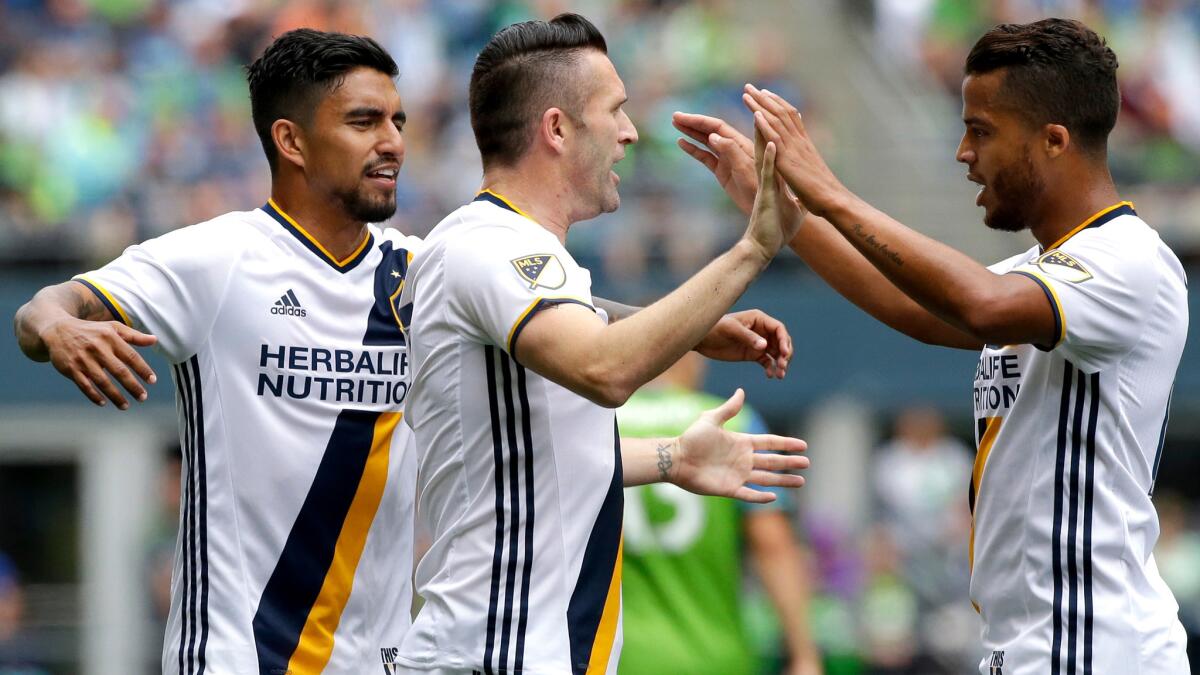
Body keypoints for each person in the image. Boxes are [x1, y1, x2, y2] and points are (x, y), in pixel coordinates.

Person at [12, 26, 798, 675]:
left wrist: (689, 345)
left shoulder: (415, 267)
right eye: (363, 123)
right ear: (289, 139)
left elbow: (533, 390)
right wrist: (58, 327)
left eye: (396, 121)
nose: (391, 143)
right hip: (244, 656)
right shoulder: (220, 260)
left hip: (383, 657)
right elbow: (47, 305)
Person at [675, 17, 1189, 675]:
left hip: (1093, 639)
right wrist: (784, 216)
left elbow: (981, 305)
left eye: (981, 130)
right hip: (1034, 638)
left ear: (1054, 140)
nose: (962, 152)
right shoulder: (1044, 271)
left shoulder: (1126, 259)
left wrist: (831, 192)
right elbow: (916, 308)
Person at [398, 13, 807, 675]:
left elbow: (536, 461)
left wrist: (673, 455)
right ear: (557, 128)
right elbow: (605, 367)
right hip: (495, 657)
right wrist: (755, 247)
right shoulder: (493, 244)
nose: (630, 133)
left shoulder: (508, 255)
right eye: (615, 111)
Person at [617, 352, 822, 675]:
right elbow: (773, 548)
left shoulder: (601, 423)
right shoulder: (733, 424)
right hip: (712, 654)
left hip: (613, 658)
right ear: (690, 357)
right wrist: (804, 655)